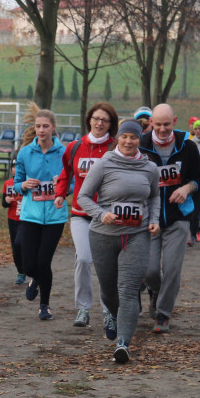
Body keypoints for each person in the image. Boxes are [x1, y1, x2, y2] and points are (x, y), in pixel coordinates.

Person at [77, 120, 161, 364]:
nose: (128, 141)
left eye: (133, 138)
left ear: (139, 140)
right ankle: (113, 315)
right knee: (109, 290)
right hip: (104, 234)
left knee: (128, 289)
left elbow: (155, 197)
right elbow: (82, 196)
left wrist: (154, 220)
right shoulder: (104, 164)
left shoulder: (150, 168)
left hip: (137, 234)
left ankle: (123, 343)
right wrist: (101, 214)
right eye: (124, 137)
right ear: (117, 138)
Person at [139, 104, 200, 333]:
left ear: (175, 121)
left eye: (166, 124)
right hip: (150, 218)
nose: (162, 129)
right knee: (148, 270)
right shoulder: (142, 146)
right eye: (157, 124)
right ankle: (156, 291)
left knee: (172, 268)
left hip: (178, 217)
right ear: (151, 124)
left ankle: (163, 314)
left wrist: (187, 188)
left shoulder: (186, 146)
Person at [55, 102, 118, 327]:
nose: (99, 123)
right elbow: (66, 172)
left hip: (107, 215)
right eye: (96, 118)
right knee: (83, 259)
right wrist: (61, 193)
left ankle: (109, 310)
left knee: (105, 264)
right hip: (80, 213)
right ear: (89, 120)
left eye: (105, 120)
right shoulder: (74, 147)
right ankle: (83, 308)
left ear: (111, 125)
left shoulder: (116, 147)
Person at [15, 108, 68, 320]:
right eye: (38, 126)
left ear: (53, 128)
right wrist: (24, 185)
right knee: (29, 265)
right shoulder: (25, 152)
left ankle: (44, 305)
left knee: (43, 262)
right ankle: (35, 278)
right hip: (31, 215)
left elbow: (73, 182)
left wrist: (62, 186)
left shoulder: (65, 153)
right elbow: (16, 183)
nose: (41, 130)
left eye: (46, 126)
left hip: (55, 216)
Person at [2, 166, 25, 284]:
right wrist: (6, 201)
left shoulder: (27, 183)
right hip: (12, 218)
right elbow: (3, 204)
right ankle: (21, 272)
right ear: (11, 169)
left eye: (18, 166)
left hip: (26, 219)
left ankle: (29, 268)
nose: (16, 169)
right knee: (15, 246)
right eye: (14, 167)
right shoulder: (8, 183)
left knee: (20, 243)